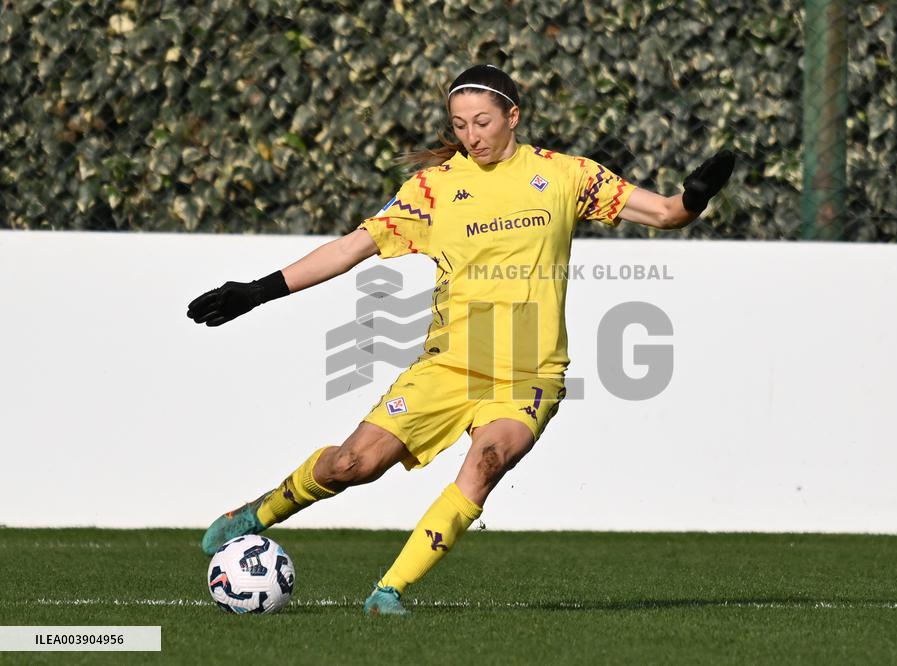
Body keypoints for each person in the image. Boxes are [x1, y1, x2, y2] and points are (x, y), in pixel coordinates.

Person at [187, 64, 734, 615]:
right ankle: (256, 514)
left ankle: (388, 592)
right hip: (448, 369)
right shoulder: (434, 188)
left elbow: (666, 213)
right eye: (460, 125)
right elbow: (351, 248)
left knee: (488, 459)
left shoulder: (565, 175)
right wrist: (257, 291)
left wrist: (694, 198)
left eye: (483, 122)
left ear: (512, 117)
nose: (472, 136)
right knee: (352, 465)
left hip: (530, 376)